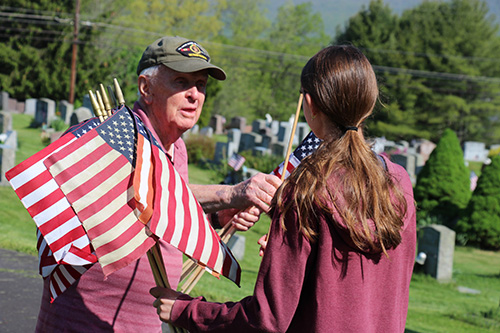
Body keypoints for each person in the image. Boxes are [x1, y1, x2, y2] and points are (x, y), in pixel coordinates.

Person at [151, 45, 417, 332]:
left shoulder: (307, 190)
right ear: (368, 105)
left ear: (310, 104)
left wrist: (187, 310)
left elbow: (266, 319)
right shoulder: (399, 183)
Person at [35, 36, 281, 332]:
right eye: (181, 81)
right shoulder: (110, 135)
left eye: (201, 85)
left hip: (144, 324)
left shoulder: (177, 149)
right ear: (145, 88)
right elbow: (143, 192)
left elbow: (160, 218)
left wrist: (216, 215)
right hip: (82, 323)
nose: (194, 95)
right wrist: (231, 193)